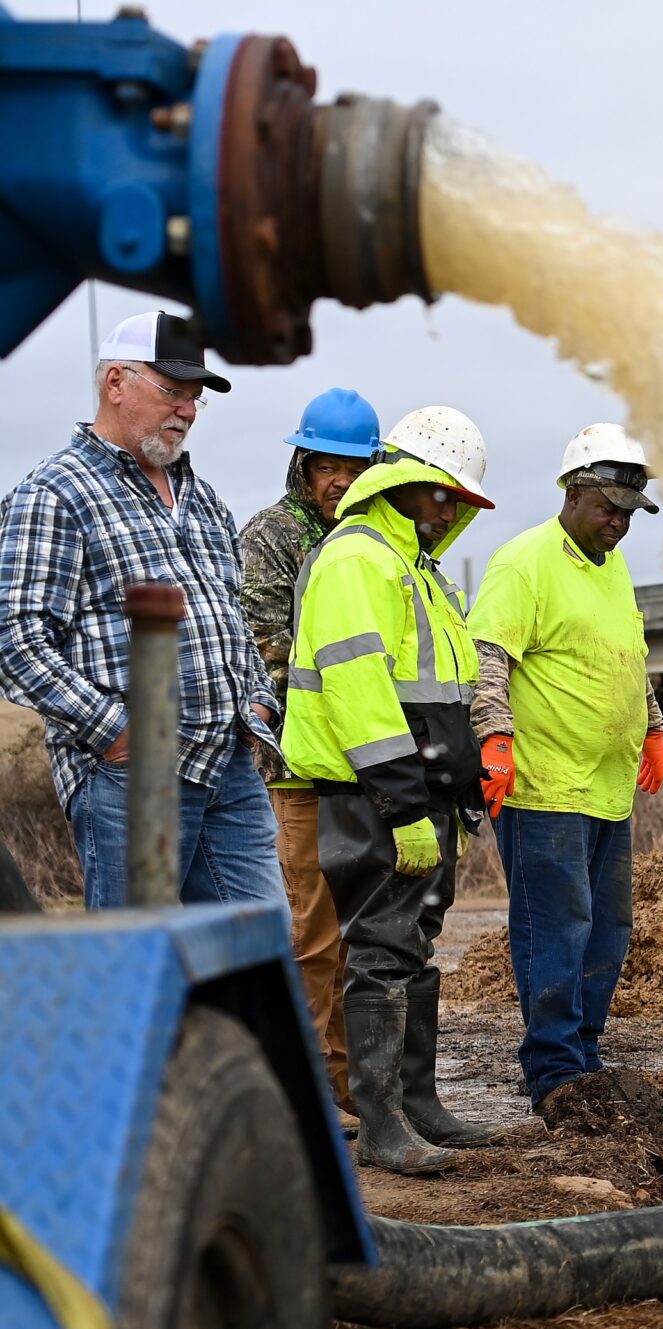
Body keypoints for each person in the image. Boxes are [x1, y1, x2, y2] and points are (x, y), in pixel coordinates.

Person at [0, 311, 289, 907]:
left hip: (229, 767)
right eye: (172, 392)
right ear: (115, 383)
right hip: (134, 780)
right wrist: (117, 733)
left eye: (194, 399)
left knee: (258, 964)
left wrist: (256, 697)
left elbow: (228, 616)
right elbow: (15, 638)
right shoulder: (56, 492)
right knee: (144, 968)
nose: (185, 410)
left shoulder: (203, 499)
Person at [285, 405, 496, 1175]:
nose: (448, 511)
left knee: (412, 947)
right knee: (378, 950)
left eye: (457, 501)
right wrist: (406, 803)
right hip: (370, 793)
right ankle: (381, 1125)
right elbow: (359, 690)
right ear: (405, 482)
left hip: (418, 796)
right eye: (442, 494)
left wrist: (459, 797)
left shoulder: (419, 570)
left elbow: (444, 693)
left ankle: (419, 1104)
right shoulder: (357, 558)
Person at [468, 424, 663, 1114]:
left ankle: (584, 1055)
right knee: (555, 929)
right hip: (546, 786)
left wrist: (655, 729)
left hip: (607, 790)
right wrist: (494, 737)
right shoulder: (525, 562)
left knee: (606, 931)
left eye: (629, 514)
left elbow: (626, 657)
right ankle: (554, 1074)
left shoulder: (614, 572)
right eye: (609, 507)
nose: (618, 524)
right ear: (574, 492)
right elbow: (487, 657)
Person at [239, 387, 381, 1120]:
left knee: (365, 938)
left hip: (366, 766)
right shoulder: (272, 535)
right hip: (300, 769)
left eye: (356, 468)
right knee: (313, 933)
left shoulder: (375, 543)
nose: (341, 481)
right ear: (304, 462)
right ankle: (315, 1092)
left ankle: (357, 1084)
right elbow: (261, 640)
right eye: (329, 465)